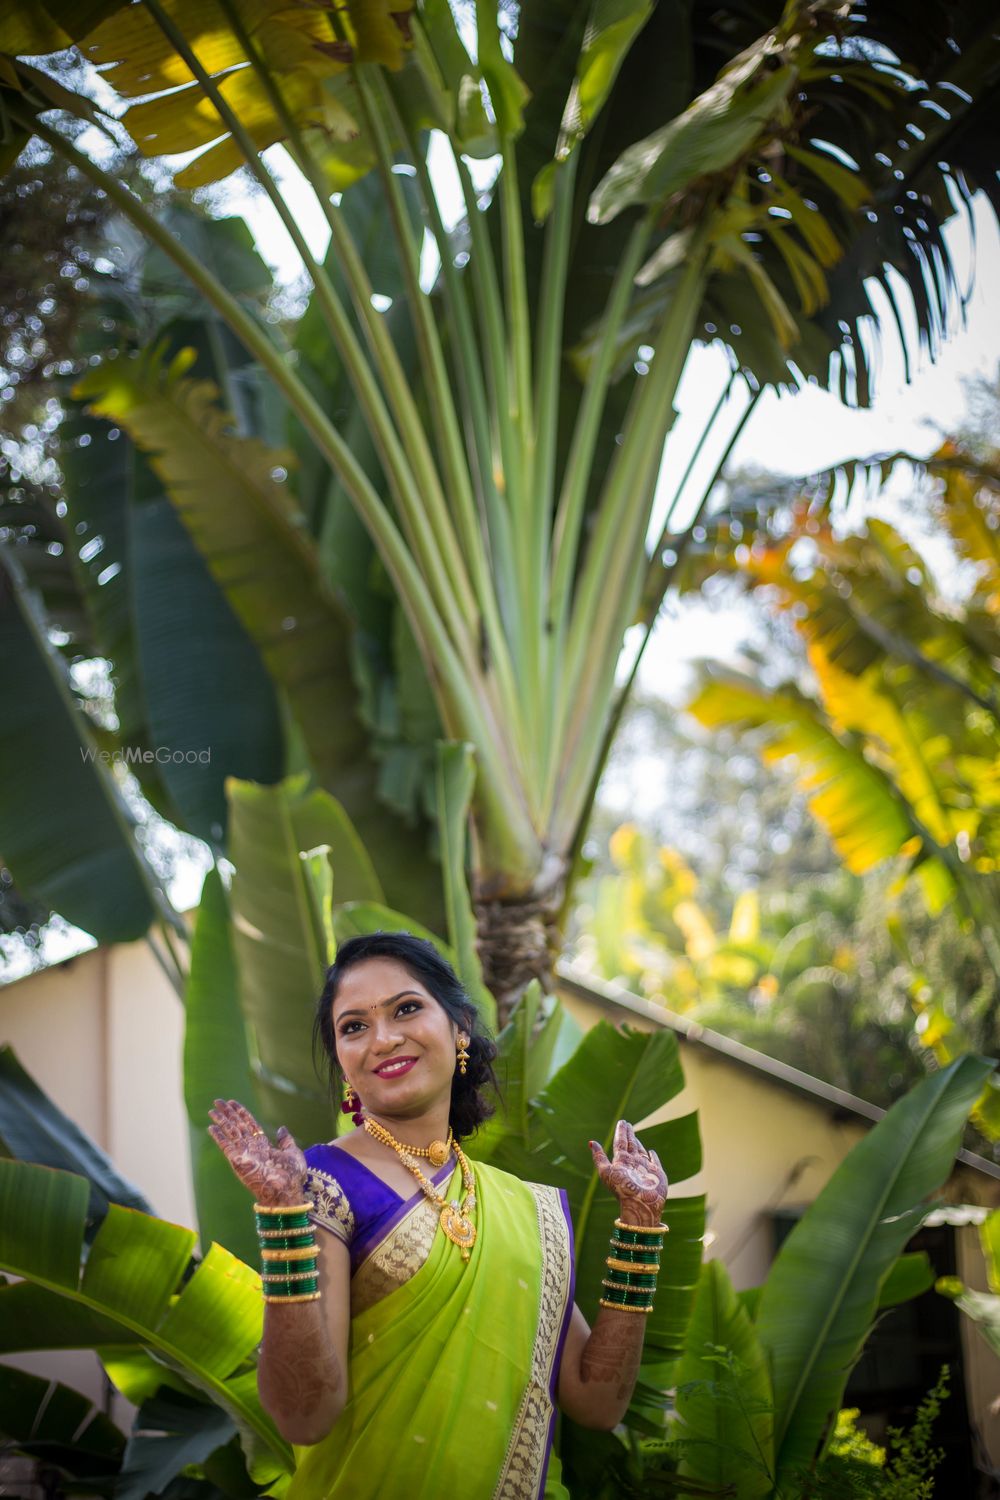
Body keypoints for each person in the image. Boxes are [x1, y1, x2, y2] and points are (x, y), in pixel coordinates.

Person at [209, 932, 668, 1500]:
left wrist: (641, 1231)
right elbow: (305, 1418)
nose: (382, 1038)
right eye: (354, 1026)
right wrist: (282, 1218)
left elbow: (597, 1403)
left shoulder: (527, 1208)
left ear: (459, 1030)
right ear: (343, 1065)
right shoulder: (322, 1184)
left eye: (406, 1008)